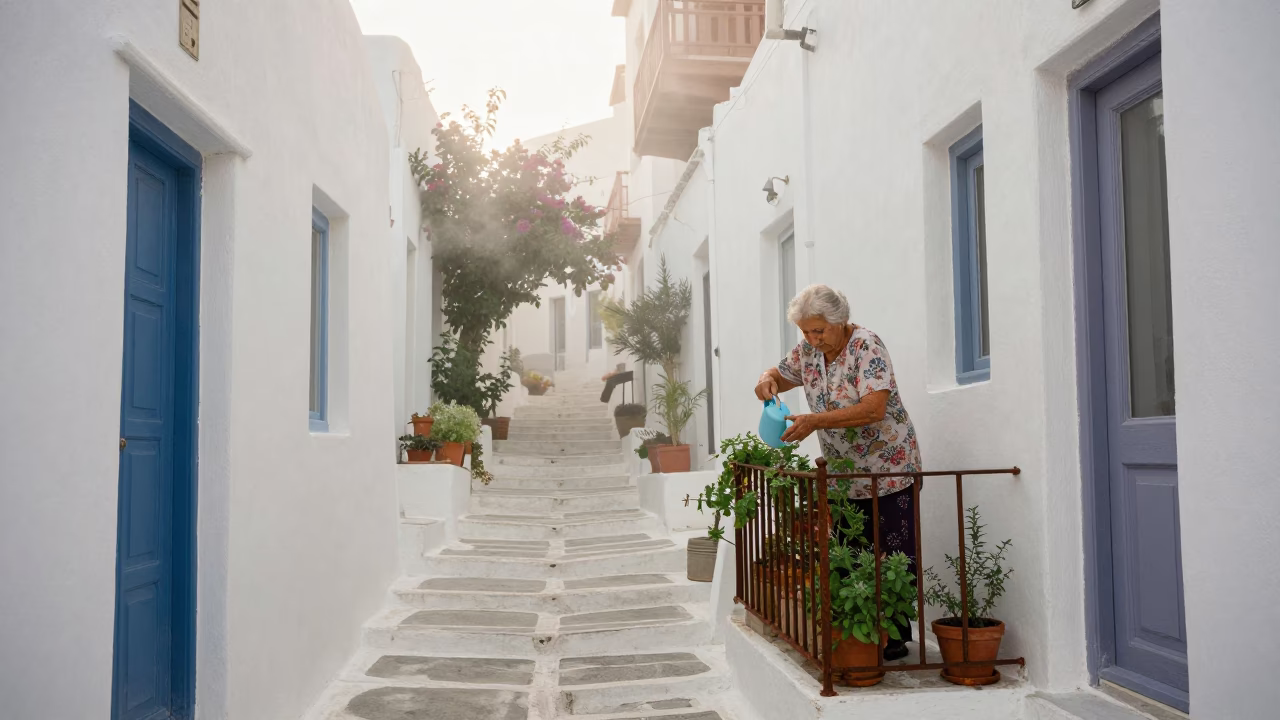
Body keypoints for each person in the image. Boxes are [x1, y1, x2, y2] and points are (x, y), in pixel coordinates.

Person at [754, 284, 923, 660]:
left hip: (889, 469)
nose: (812, 339)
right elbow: (779, 375)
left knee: (895, 553)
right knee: (851, 552)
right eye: (805, 332)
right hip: (845, 474)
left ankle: (893, 637)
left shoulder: (866, 346)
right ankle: (857, 633)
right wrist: (767, 381)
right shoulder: (809, 352)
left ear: (840, 321)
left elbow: (874, 408)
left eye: (819, 330)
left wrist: (815, 420)